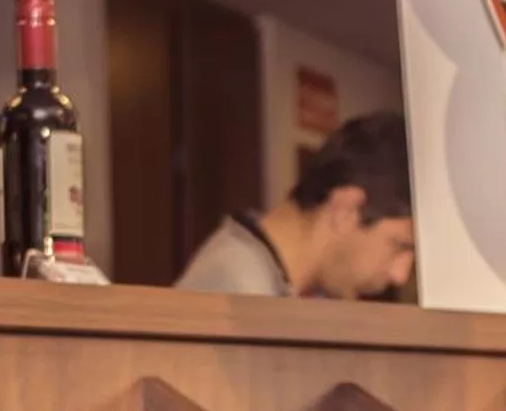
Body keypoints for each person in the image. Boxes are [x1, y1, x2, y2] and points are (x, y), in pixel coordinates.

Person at [174, 111, 415, 298]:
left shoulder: (264, 280)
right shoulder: (238, 292)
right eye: (399, 246)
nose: (401, 275)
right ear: (346, 210)